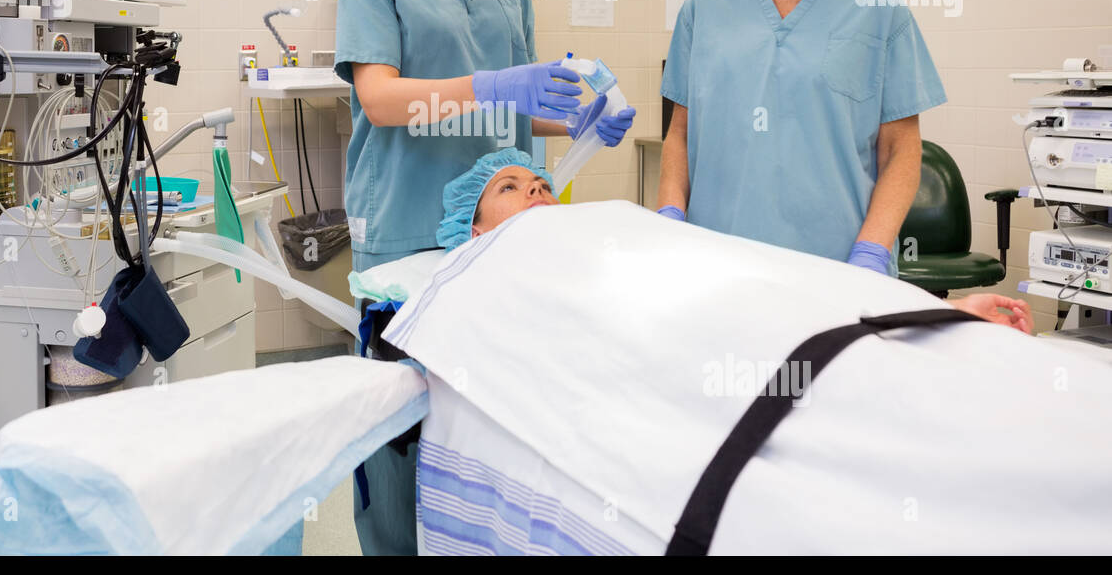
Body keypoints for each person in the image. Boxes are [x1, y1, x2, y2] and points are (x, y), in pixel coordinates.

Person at [335, 0, 635, 555]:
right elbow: (381, 99)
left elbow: (513, 107)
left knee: (484, 425)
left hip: (500, 235)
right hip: (406, 225)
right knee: (401, 436)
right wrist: (497, 84)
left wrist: (577, 119)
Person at [657, 0, 945, 277]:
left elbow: (901, 149)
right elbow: (679, 133)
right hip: (715, 258)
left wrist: (871, 251)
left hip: (836, 264)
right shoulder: (705, 6)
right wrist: (670, 215)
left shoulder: (875, 6)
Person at [439, 150, 1033, 333]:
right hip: (674, 329)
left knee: (777, 289)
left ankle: (938, 316)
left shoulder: (599, 231)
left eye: (542, 183)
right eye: (510, 187)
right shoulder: (492, 287)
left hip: (704, 298)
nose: (536, 188)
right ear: (475, 230)